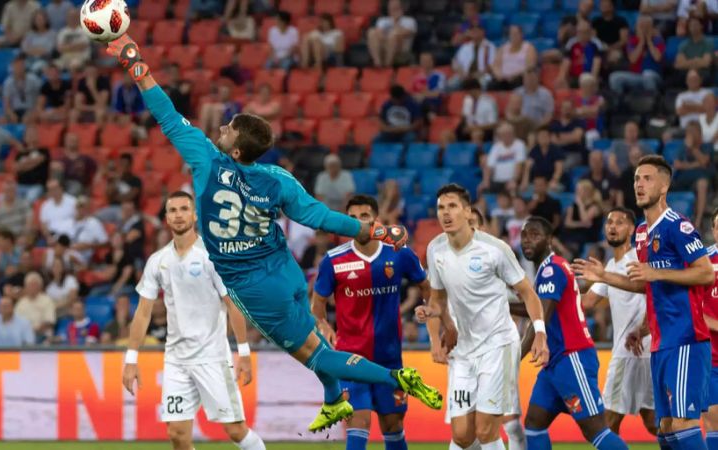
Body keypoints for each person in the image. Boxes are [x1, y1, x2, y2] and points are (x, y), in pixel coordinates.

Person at [107, 33, 442, 433]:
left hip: (253, 286)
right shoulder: (276, 179)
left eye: (230, 127)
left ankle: (394, 378)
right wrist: (375, 229)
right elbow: (319, 218)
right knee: (310, 341)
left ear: (235, 150)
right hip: (285, 271)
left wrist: (134, 61)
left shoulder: (205, 162)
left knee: (314, 354)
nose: (224, 125)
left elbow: (164, 111)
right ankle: (335, 399)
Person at [572, 155, 714, 450]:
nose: (639, 184)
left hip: (686, 338)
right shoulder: (640, 233)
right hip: (659, 342)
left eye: (647, 178)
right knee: (663, 429)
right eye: (637, 178)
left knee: (683, 424)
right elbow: (645, 285)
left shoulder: (678, 225)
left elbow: (704, 273)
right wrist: (606, 276)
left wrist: (656, 271)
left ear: (664, 186)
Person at [122, 191, 266, 450]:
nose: (178, 215)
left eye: (183, 209)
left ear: (194, 215)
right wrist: (131, 360)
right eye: (173, 210)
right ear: (166, 218)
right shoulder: (158, 261)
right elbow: (143, 312)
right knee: (177, 434)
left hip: (212, 356)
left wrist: (243, 352)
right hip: (176, 359)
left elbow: (233, 304)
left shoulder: (211, 256)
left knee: (235, 430)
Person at [415, 184, 548, 450]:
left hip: (497, 346)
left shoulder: (494, 249)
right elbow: (438, 299)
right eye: (441, 207)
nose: (445, 213)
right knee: (463, 436)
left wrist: (540, 334)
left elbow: (529, 294)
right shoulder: (435, 249)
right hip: (463, 351)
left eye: (452, 206)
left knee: (487, 429)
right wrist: (432, 312)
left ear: (467, 211)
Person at [312, 195, 430, 450]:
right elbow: (318, 302)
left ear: (376, 220)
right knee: (359, 422)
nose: (358, 222)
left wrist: (428, 307)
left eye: (364, 216)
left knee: (393, 425)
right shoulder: (334, 260)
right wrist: (323, 325)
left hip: (389, 359)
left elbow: (426, 285)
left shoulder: (399, 253)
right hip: (351, 359)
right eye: (352, 218)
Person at [514, 216, 629, 450]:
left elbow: (540, 319)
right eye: (525, 235)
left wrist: (511, 361)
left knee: (595, 429)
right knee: (534, 422)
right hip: (555, 363)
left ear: (549, 240)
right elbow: (536, 309)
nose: (527, 240)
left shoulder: (552, 270)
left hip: (571, 358)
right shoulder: (548, 269)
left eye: (535, 235)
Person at [580, 208, 657, 437]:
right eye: (609, 222)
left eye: (620, 222)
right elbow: (587, 302)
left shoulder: (636, 260)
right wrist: (548, 298)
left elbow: (652, 294)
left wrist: (642, 329)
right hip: (645, 352)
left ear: (632, 229)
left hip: (629, 352)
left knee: (607, 424)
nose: (613, 226)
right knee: (654, 422)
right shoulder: (611, 267)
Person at [608, 15, 665, 95]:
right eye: (641, 27)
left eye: (646, 27)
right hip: (636, 76)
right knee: (614, 77)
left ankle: (652, 102)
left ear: (652, 28)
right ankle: (619, 104)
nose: (644, 30)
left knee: (647, 75)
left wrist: (649, 41)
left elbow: (657, 58)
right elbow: (633, 59)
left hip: (654, 76)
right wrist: (641, 42)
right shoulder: (632, 41)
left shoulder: (658, 41)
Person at [673, 121, 712, 228]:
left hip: (701, 177)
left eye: (693, 132)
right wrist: (695, 164)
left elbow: (704, 162)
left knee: (702, 182)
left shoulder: (707, 146)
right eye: (689, 132)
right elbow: (677, 165)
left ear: (699, 133)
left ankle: (698, 222)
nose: (690, 134)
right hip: (683, 178)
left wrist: (693, 149)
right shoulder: (683, 146)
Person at [366, 0, 417, 68]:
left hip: (401, 48)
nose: (392, 6)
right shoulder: (382, 20)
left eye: (395, 4)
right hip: (384, 44)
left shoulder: (409, 21)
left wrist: (395, 21)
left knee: (393, 35)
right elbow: (379, 33)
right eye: (390, 5)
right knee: (371, 32)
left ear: (401, 7)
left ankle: (388, 64)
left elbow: (406, 33)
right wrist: (384, 37)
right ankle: (377, 62)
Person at [704, 210, 718, 450]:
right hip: (710, 358)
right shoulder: (703, 263)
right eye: (717, 226)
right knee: (714, 423)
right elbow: (690, 307)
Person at [480, 122, 527, 195]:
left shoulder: (519, 144)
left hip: (512, 180)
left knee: (512, 190)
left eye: (509, 133)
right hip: (496, 180)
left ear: (513, 134)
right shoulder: (496, 146)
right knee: (482, 189)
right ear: (500, 136)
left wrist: (514, 180)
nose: (506, 136)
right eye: (503, 134)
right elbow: (490, 166)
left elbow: (519, 165)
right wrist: (486, 181)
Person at [556, 20, 602, 89]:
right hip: (574, 76)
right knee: (561, 82)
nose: (582, 35)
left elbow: (597, 63)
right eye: (580, 32)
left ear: (590, 32)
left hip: (589, 76)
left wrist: (593, 78)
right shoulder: (571, 43)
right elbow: (566, 61)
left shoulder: (596, 44)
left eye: (585, 32)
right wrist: (561, 77)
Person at [450, 24, 496, 89]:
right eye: (473, 31)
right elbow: (455, 62)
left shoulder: (490, 46)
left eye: (477, 30)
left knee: (483, 83)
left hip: (482, 75)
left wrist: (478, 74)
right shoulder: (465, 47)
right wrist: (460, 72)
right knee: (451, 84)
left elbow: (492, 65)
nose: (474, 33)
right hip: (465, 75)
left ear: (483, 32)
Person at [15, 271, 56, 342]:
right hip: (24, 337)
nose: (32, 287)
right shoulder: (21, 303)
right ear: (26, 287)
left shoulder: (47, 300)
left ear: (40, 286)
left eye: (34, 285)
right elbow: (15, 322)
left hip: (42, 335)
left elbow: (49, 322)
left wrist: (33, 331)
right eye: (30, 285)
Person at [493, 26, 538, 90]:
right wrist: (499, 75)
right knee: (492, 85)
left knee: (517, 83)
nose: (514, 36)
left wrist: (514, 76)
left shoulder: (529, 48)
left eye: (516, 34)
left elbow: (530, 66)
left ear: (522, 35)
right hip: (503, 79)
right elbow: (496, 65)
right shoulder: (503, 48)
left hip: (519, 77)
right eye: (511, 34)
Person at [14, 126, 50, 202]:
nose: (31, 136)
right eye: (29, 134)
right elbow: (16, 168)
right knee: (3, 198)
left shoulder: (43, 151)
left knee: (28, 200)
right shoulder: (20, 153)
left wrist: (23, 164)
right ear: (25, 138)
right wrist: (32, 163)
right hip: (20, 185)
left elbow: (38, 160)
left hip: (36, 186)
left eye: (33, 134)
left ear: (37, 136)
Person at [522, 128, 564, 193]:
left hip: (551, 182)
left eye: (545, 136)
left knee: (552, 191)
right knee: (523, 191)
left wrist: (554, 181)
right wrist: (524, 181)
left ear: (549, 138)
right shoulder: (534, 150)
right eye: (541, 136)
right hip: (537, 183)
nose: (543, 138)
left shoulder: (556, 150)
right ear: (537, 138)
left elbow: (559, 169)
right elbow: (527, 167)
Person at [3, 57, 42, 124]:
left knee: (27, 119)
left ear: (24, 66)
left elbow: (41, 98)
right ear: (12, 67)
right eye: (16, 66)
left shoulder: (34, 79)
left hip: (30, 109)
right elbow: (6, 104)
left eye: (21, 66)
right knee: (2, 120)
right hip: (15, 110)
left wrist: (35, 110)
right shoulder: (8, 83)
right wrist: (11, 114)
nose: (19, 68)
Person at [674, 18, 713, 84]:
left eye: (695, 25)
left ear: (701, 26)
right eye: (691, 25)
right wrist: (696, 61)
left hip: (702, 74)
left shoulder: (708, 43)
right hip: (685, 73)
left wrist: (687, 62)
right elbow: (678, 64)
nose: (693, 27)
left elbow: (706, 63)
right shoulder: (683, 44)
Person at [458, 78, 498, 142]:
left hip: (484, 129)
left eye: (469, 91)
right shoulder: (467, 99)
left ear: (475, 90)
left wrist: (475, 128)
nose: (468, 94)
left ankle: (478, 151)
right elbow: (465, 117)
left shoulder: (489, 101)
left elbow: (493, 124)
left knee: (476, 134)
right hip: (470, 128)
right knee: (449, 134)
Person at [592, 0, 630, 67]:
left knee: (615, 56)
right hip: (600, 48)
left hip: (616, 49)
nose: (602, 6)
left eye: (605, 4)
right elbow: (593, 39)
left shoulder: (621, 21)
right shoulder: (596, 22)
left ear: (612, 6)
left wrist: (610, 48)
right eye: (601, 4)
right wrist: (602, 47)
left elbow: (624, 40)